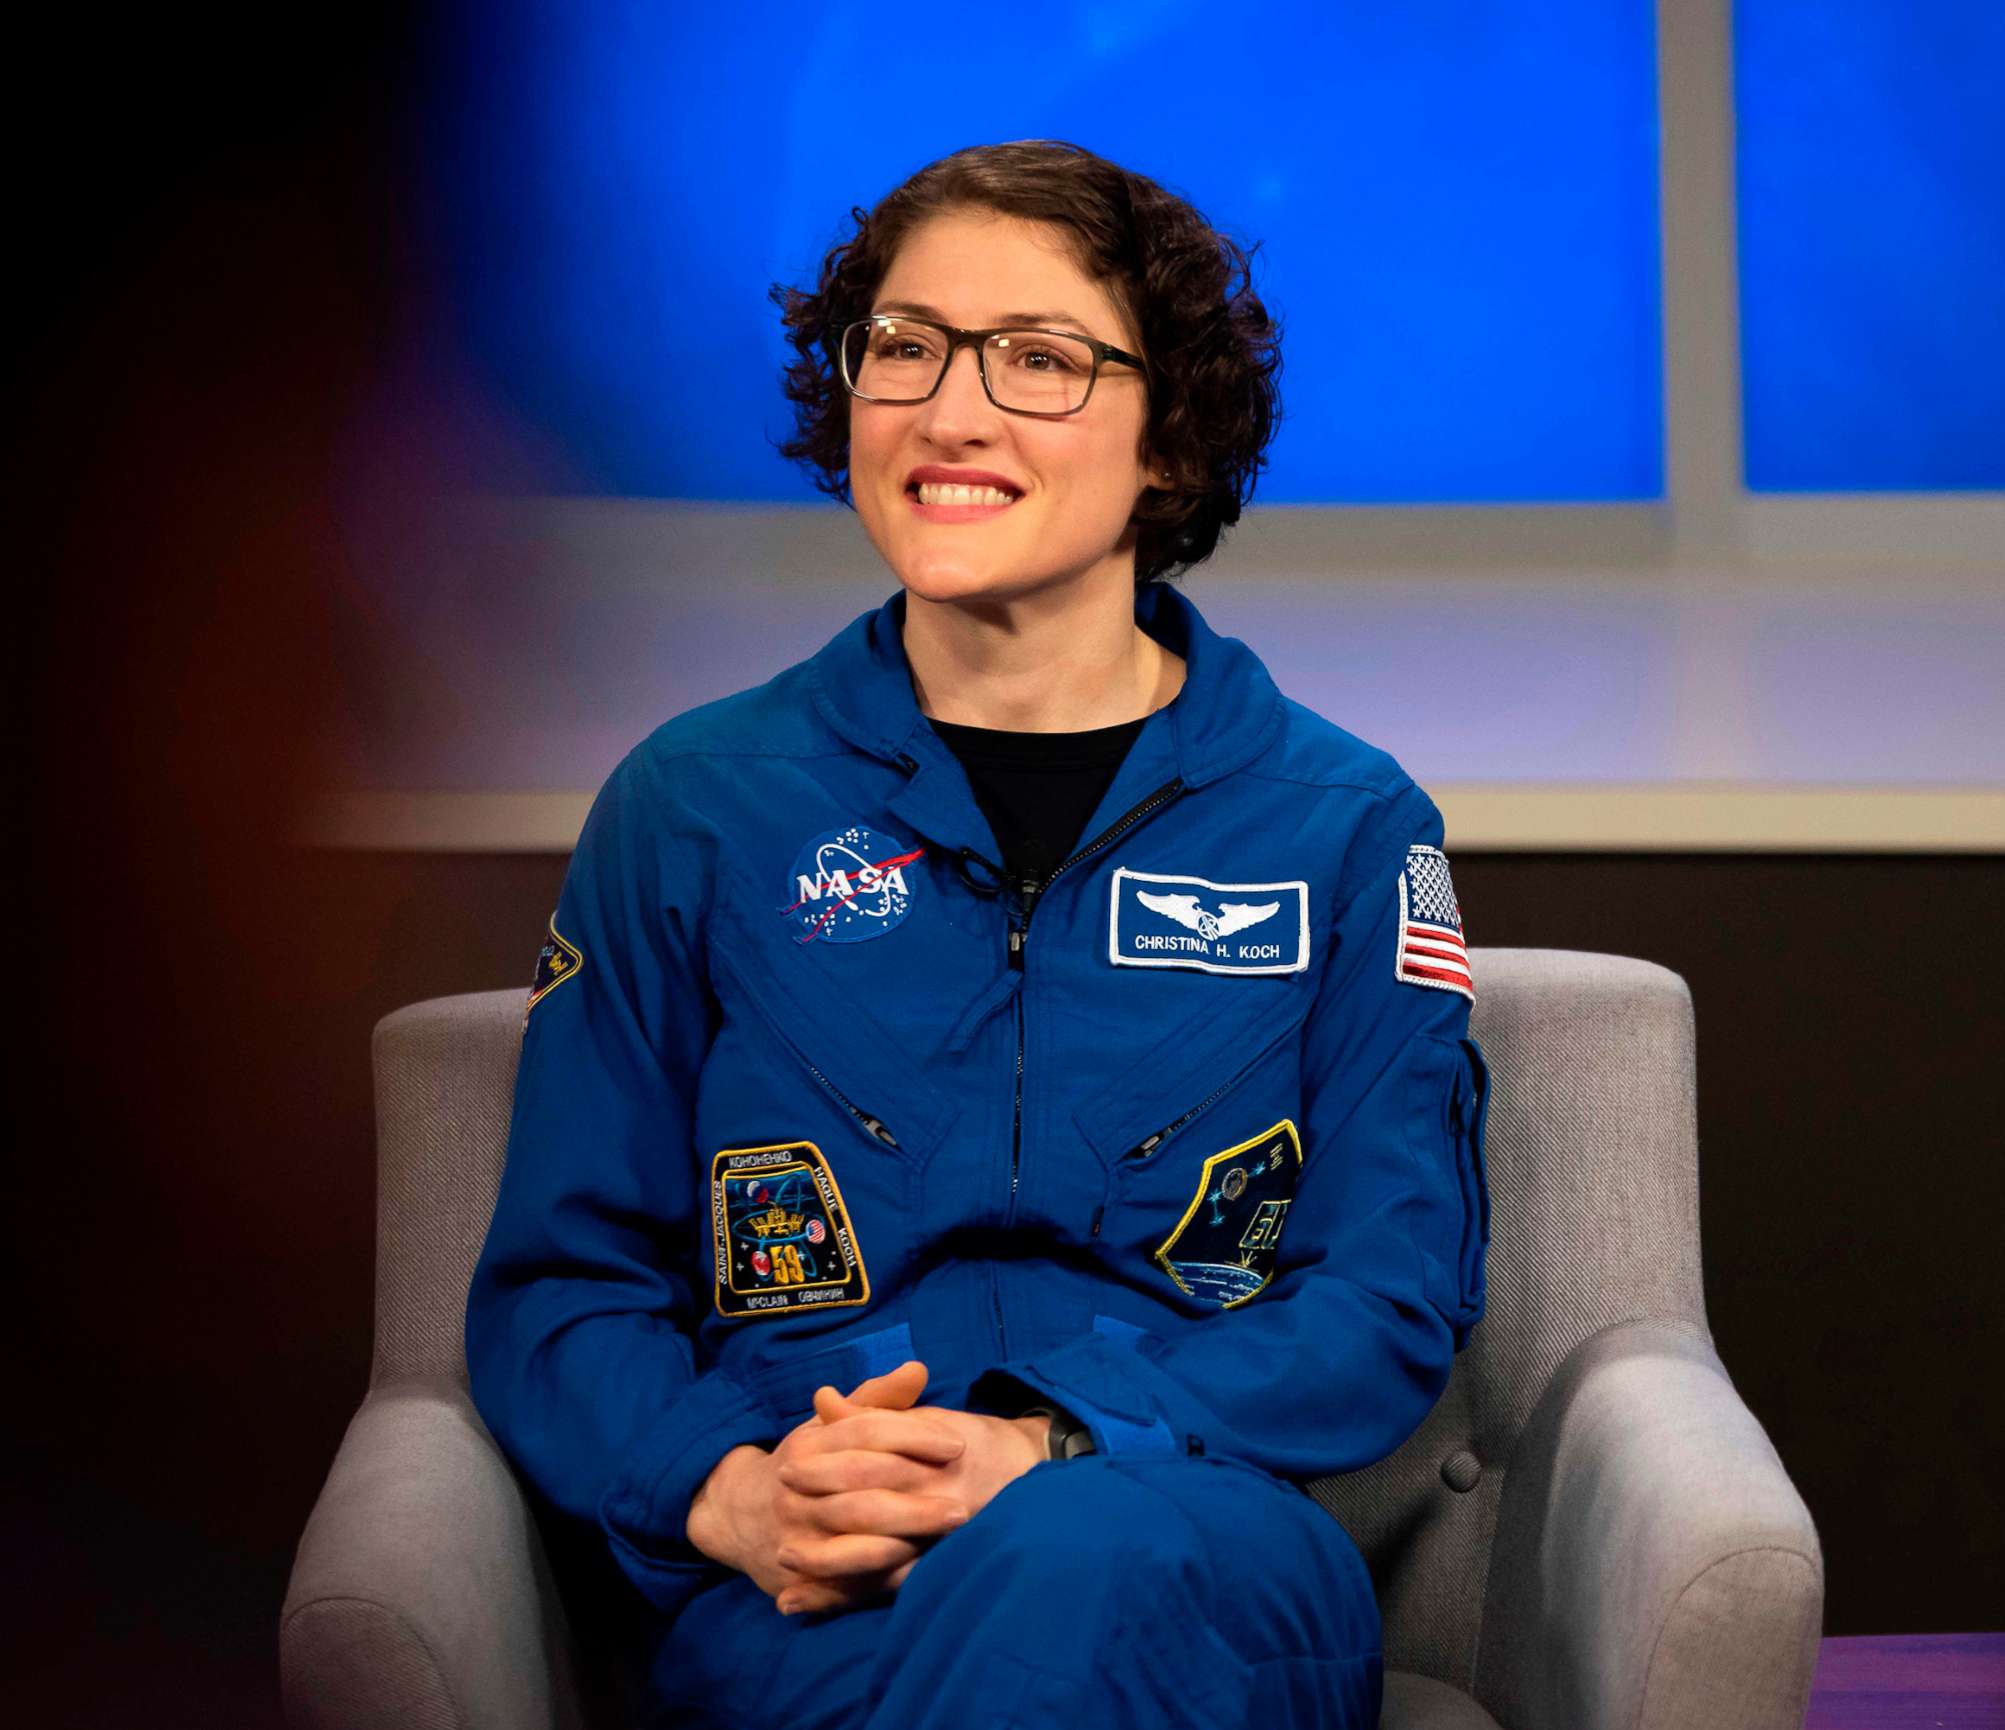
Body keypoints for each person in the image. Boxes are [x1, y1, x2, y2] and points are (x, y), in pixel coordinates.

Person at [466, 138, 1492, 1730]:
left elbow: (1384, 1296)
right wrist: (731, 1494)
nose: (950, 413)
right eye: (905, 347)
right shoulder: (691, 806)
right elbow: (558, 1283)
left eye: (1038, 361)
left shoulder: (1346, 826)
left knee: (1075, 1562)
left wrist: (1041, 1437)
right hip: (818, 1570)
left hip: (1196, 1541)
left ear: (1172, 438)